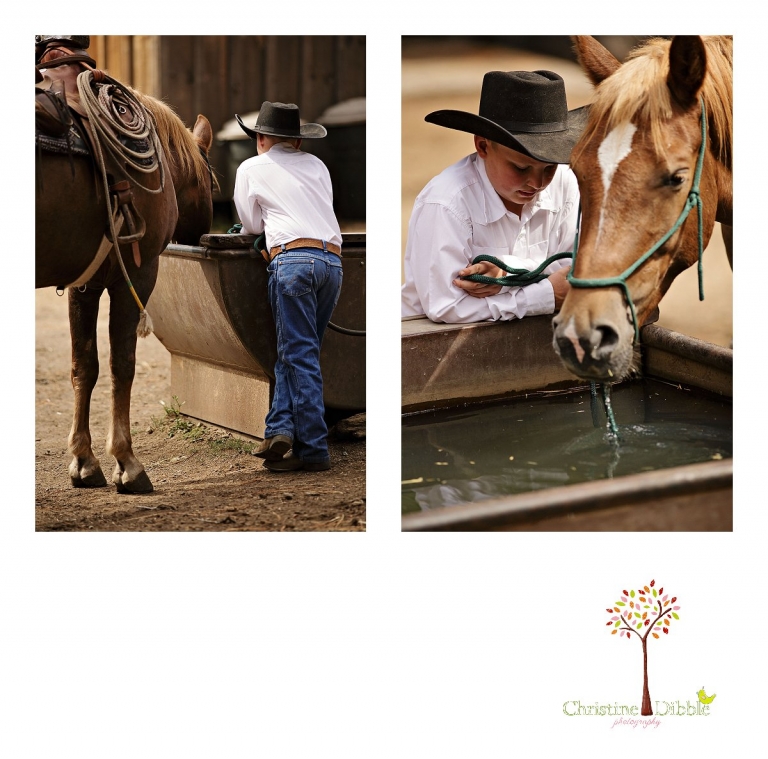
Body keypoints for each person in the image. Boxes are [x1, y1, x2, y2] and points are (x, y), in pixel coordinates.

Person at [401, 70, 587, 323]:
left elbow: (576, 267)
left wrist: (507, 276)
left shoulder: (566, 182)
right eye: (520, 168)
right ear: (483, 146)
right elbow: (446, 306)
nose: (537, 183)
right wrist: (545, 294)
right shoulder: (446, 202)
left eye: (549, 168)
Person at [233, 101, 343, 472]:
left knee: (298, 355)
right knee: (298, 351)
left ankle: (313, 449)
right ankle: (279, 428)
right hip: (332, 262)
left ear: (261, 138)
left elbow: (249, 224)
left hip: (293, 262)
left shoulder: (251, 167)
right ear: (296, 141)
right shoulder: (317, 165)